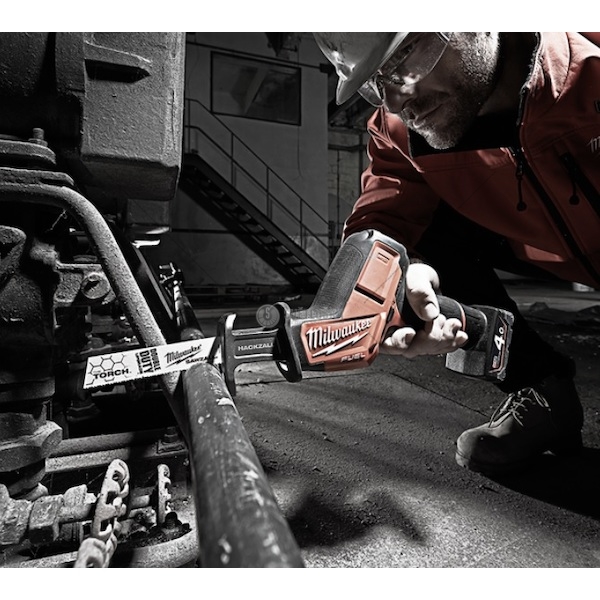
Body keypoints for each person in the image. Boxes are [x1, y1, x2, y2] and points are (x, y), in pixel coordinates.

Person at [313, 32, 600, 474]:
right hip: (548, 246)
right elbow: (383, 218)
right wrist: (389, 284)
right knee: (402, 244)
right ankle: (543, 393)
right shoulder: (398, 132)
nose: (396, 101)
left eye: (405, 56)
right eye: (376, 81)